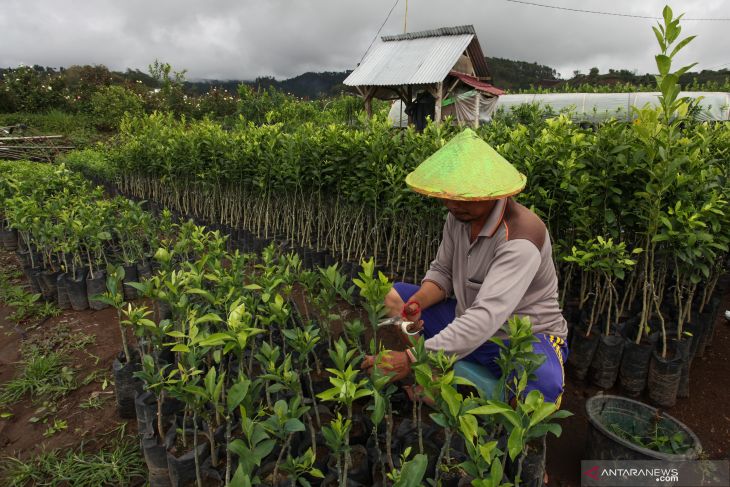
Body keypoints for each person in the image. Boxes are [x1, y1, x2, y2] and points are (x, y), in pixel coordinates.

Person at [361, 128, 569, 406]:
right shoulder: (460, 217)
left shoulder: (520, 238)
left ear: (492, 191)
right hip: (466, 317)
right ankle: (435, 377)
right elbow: (443, 273)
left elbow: (486, 316)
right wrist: (419, 302)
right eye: (448, 196)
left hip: (521, 335)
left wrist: (411, 359)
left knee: (542, 389)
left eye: (462, 197)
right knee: (393, 297)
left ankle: (438, 369)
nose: (451, 204)